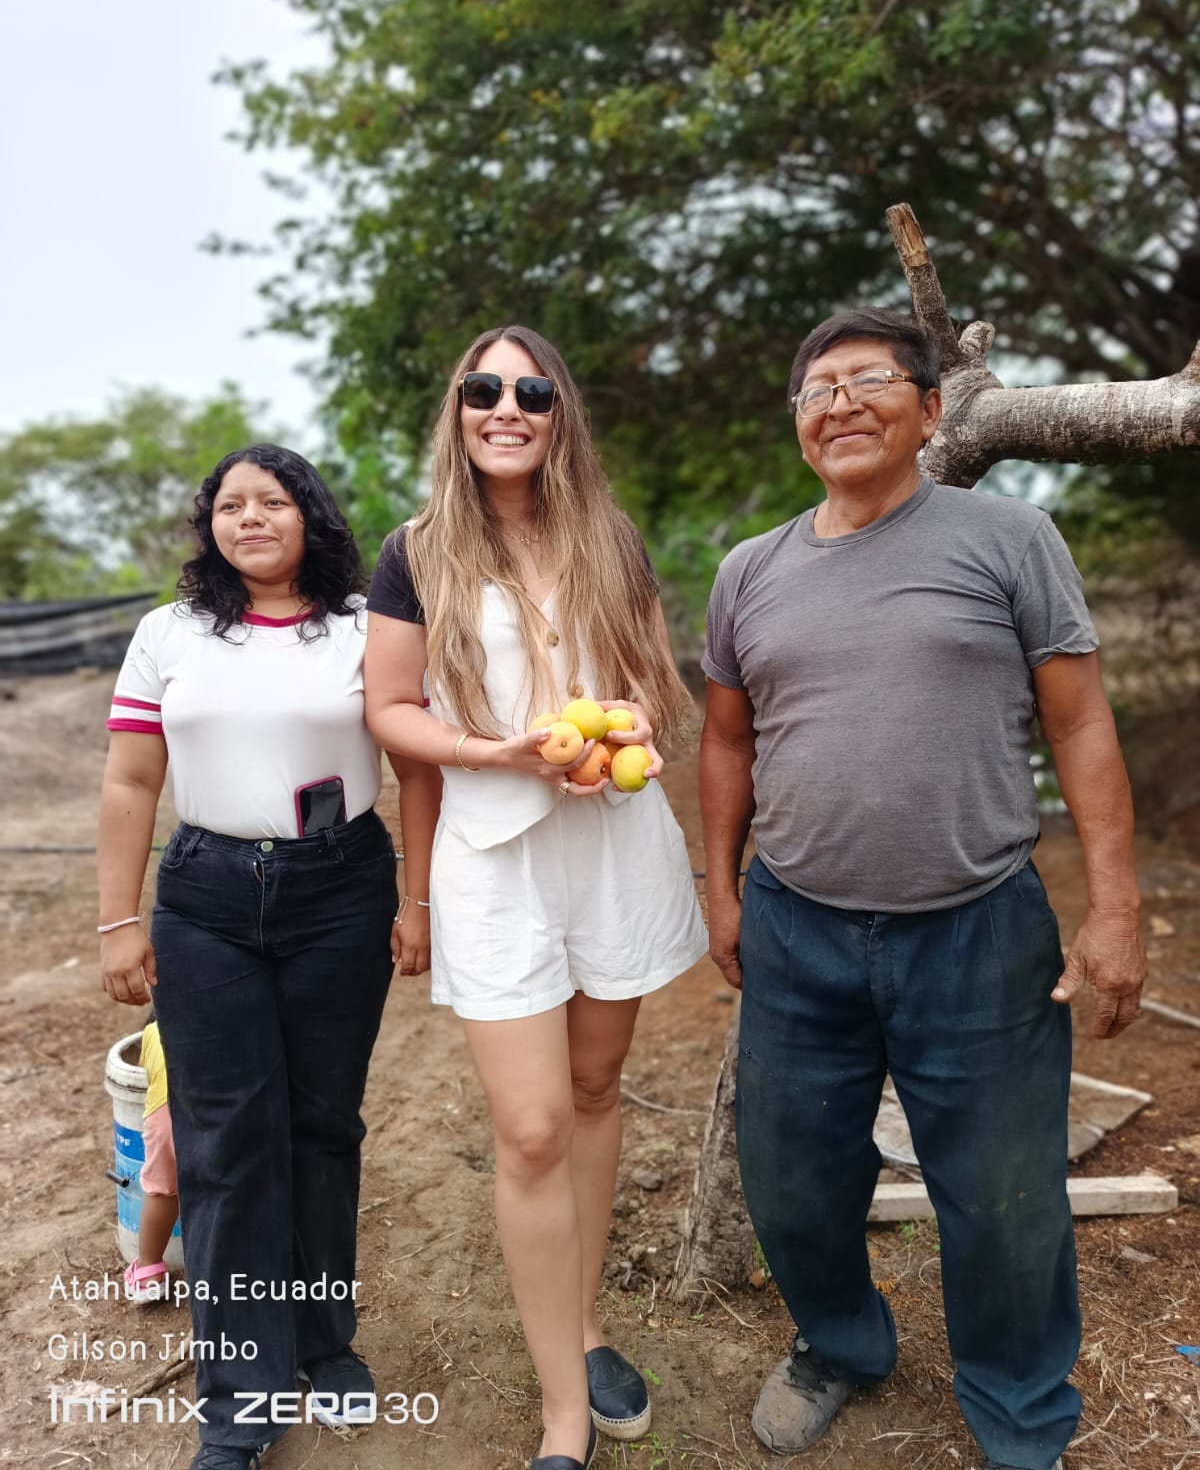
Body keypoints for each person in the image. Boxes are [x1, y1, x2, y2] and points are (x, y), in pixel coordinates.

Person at [700, 308, 1147, 1470]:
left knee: (1003, 1198)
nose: (840, 404)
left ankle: (1018, 1406)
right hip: (797, 925)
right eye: (818, 389)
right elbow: (728, 741)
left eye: (870, 381)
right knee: (793, 1182)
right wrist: (722, 889)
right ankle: (842, 1344)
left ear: (933, 408)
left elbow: (1081, 722)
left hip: (978, 929)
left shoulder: (1010, 539)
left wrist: (1116, 909)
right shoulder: (751, 571)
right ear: (798, 422)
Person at [364, 324, 707, 1470]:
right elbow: (390, 710)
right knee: (531, 1125)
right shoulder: (416, 552)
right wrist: (497, 752)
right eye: (483, 389)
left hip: (611, 840)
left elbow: (654, 678)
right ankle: (565, 1408)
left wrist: (635, 720)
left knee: (598, 1088)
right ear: (457, 412)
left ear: (561, 414)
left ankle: (588, 1322)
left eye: (531, 391)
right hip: (495, 855)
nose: (505, 407)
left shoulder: (610, 534)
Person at [97, 444, 436, 1470]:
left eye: (272, 500)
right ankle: (241, 1401)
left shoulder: (364, 627)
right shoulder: (168, 634)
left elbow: (419, 770)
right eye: (230, 504)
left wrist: (416, 900)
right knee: (225, 1142)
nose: (249, 517)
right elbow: (129, 781)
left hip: (341, 892)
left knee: (324, 1126)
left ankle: (324, 1345)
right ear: (210, 526)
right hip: (204, 900)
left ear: (310, 515)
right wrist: (118, 921)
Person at [123, 1013, 180, 1302]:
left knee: (163, 1192)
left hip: (165, 1119)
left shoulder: (152, 1033)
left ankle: (148, 1271)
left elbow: (141, 1076)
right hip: (215, 1111)